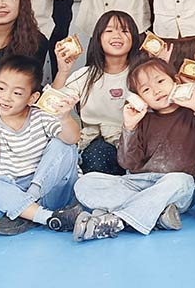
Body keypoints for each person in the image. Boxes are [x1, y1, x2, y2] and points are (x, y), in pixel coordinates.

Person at [71, 58, 195, 242]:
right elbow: (127, 163)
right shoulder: (141, 121)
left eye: (160, 81)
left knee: (182, 182)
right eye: (146, 90)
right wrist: (129, 127)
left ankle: (118, 221)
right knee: (85, 183)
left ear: (176, 81)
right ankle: (158, 215)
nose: (156, 90)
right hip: (138, 183)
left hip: (174, 186)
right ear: (139, 98)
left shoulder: (192, 113)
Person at [0, 55, 81, 236]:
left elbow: (73, 138)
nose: (6, 97)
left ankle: (28, 209)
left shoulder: (41, 116)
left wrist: (64, 118)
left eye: (17, 93)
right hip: (15, 191)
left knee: (63, 144)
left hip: (51, 189)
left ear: (32, 97)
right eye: (1, 88)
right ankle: (48, 217)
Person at [53, 11, 141, 176]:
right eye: (109, 30)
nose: (117, 35)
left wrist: (162, 65)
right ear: (98, 38)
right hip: (95, 143)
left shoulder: (142, 74)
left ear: (134, 38)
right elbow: (52, 104)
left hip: (135, 142)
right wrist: (63, 71)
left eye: (124, 30)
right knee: (94, 154)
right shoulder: (84, 75)